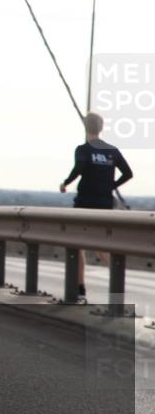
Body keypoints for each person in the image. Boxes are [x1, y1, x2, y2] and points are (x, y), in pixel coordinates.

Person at [60, 111, 133, 300]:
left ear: (86, 128)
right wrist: (111, 185)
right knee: (102, 246)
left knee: (78, 246)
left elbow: (79, 168)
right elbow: (128, 173)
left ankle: (80, 287)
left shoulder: (83, 149)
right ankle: (118, 285)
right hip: (105, 204)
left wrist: (66, 183)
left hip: (84, 204)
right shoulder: (112, 151)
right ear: (101, 128)